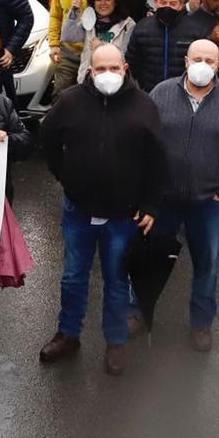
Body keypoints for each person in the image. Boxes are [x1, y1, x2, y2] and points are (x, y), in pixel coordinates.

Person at [36, 44, 165, 376]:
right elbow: (48, 138)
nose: (107, 74)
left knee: (117, 280)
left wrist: (150, 203)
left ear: (125, 67)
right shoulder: (70, 102)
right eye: (100, 69)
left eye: (113, 67)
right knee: (72, 277)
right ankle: (68, 334)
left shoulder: (144, 107)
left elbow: (158, 160)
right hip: (79, 210)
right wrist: (64, 175)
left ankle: (115, 342)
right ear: (90, 71)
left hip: (123, 215)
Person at [147, 39, 219, 351]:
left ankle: (202, 323)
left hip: (208, 204)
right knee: (150, 260)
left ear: (218, 66)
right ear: (186, 60)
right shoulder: (162, 93)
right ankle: (137, 309)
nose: (203, 65)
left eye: (210, 60)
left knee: (207, 265)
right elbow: (146, 141)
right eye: (198, 58)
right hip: (164, 200)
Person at [125, 0, 215, 94]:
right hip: (149, 94)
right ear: (156, 2)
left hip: (184, 95)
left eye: (173, 4)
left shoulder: (196, 30)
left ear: (181, 4)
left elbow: (204, 65)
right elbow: (130, 64)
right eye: (163, 3)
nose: (167, 7)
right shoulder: (142, 28)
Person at [46, 0, 108, 96]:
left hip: (91, 52)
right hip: (67, 52)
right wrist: (54, 44)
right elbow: (55, 15)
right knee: (61, 94)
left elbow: (109, 18)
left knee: (89, 97)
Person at [71, 0, 136, 71]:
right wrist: (74, 12)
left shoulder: (128, 25)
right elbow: (69, 36)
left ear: (115, 1)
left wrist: (101, 47)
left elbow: (125, 57)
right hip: (88, 77)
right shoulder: (88, 20)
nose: (103, 3)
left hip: (112, 79)